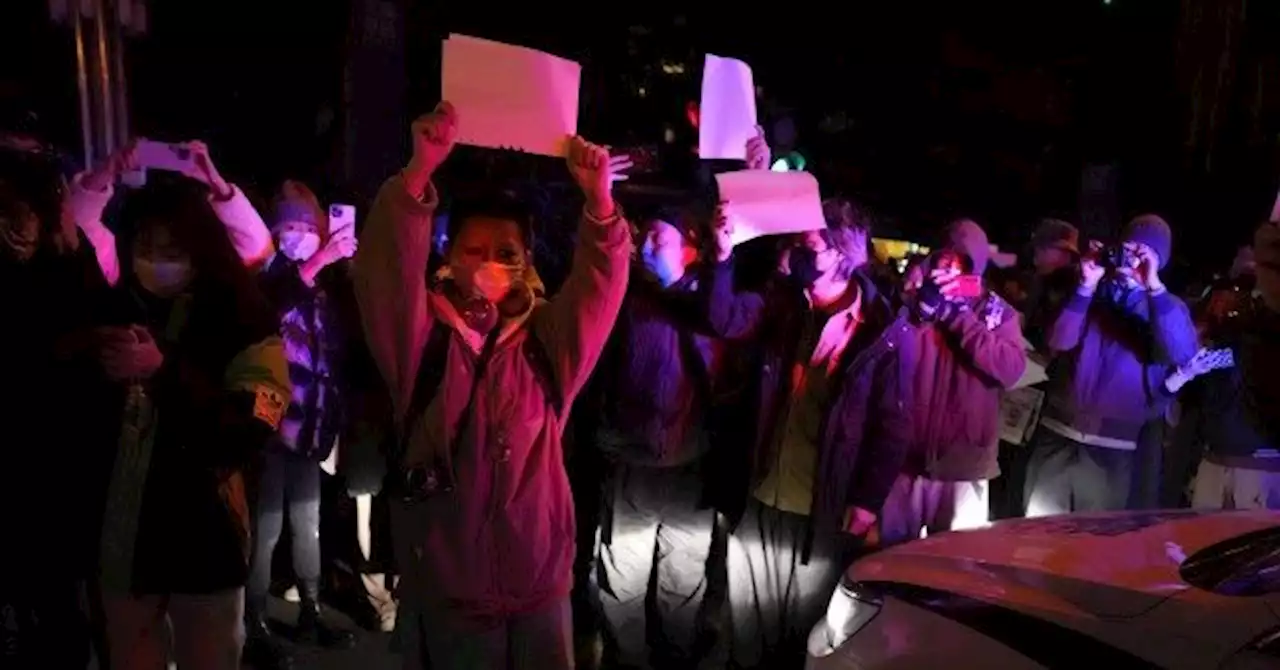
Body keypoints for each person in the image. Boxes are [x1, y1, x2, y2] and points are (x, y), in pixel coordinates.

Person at [354, 102, 632, 670]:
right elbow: (385, 269)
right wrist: (418, 173)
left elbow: (599, 288)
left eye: (506, 253)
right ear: (448, 257)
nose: (489, 264)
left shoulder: (547, 341)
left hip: (541, 591)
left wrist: (600, 202)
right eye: (473, 250)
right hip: (452, 594)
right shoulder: (421, 340)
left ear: (527, 261)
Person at [701, 182, 915, 668]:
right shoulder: (782, 304)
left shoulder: (882, 330)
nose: (795, 250)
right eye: (795, 241)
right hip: (760, 495)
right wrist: (719, 259)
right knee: (746, 623)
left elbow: (892, 425)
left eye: (809, 244)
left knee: (801, 630)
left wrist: (866, 502)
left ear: (843, 254)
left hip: (819, 507)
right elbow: (724, 320)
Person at [90, 176, 290, 670]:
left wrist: (162, 372)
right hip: (123, 547)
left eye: (172, 247)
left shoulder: (246, 319)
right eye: (144, 245)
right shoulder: (108, 311)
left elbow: (246, 430)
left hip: (206, 541)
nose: (156, 260)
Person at [585, 205, 717, 669]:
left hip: (690, 470)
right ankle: (630, 660)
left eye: (658, 240)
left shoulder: (711, 306)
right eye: (643, 237)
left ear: (690, 249)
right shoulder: (625, 299)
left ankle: (674, 658)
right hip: (633, 466)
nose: (645, 247)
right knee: (622, 579)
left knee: (682, 580)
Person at [244, 181, 358, 669]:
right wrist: (316, 264)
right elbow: (265, 312)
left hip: (311, 430)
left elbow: (339, 351)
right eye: (287, 227)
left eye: (306, 228)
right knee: (265, 526)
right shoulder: (263, 277)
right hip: (269, 429)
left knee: (306, 524)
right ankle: (253, 623)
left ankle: (310, 609)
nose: (297, 236)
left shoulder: (330, 286)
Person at [1024, 215, 1198, 516]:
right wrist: (1086, 286)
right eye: (1130, 249)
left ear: (1159, 262)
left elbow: (1180, 354)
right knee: (1037, 541)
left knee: (1094, 548)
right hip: (1057, 432)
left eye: (1145, 254)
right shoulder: (1089, 288)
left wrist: (1152, 287)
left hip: (1112, 447)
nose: (1133, 260)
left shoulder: (1166, 306)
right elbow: (1059, 341)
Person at [881, 219, 1026, 543]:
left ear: (975, 266)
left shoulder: (997, 312)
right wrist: (915, 305)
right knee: (890, 559)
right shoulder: (913, 302)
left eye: (959, 261)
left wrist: (958, 316)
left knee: (955, 566)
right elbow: (886, 354)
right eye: (943, 258)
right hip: (905, 462)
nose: (949, 268)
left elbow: (1012, 369)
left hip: (963, 466)